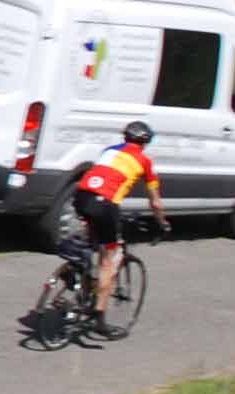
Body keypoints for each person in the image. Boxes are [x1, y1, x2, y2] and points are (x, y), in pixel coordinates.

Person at [63, 120, 168, 325]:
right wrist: (162, 222)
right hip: (105, 204)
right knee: (108, 261)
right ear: (145, 143)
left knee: (92, 241)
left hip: (81, 196)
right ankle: (99, 318)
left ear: (125, 137)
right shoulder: (144, 162)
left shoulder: (109, 151)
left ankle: (76, 272)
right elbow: (154, 201)